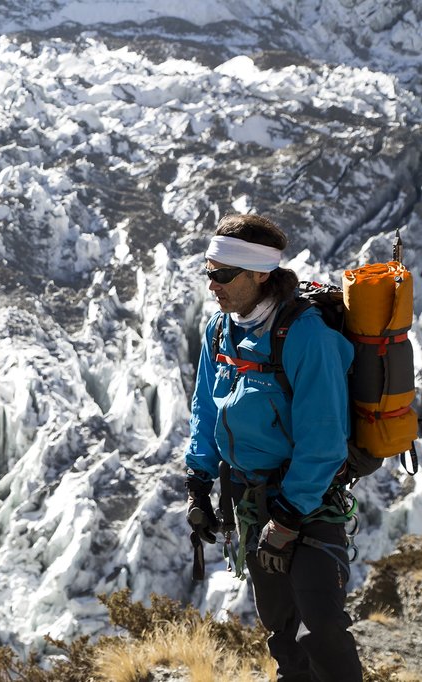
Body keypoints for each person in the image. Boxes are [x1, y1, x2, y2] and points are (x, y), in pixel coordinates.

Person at [184, 214, 362, 681]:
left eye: (223, 274)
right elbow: (206, 406)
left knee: (321, 629)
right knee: (282, 630)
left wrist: (286, 517)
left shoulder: (306, 337)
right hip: (248, 500)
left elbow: (323, 441)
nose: (213, 285)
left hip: (307, 503)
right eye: (209, 272)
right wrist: (197, 483)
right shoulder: (221, 330)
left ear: (261, 273)